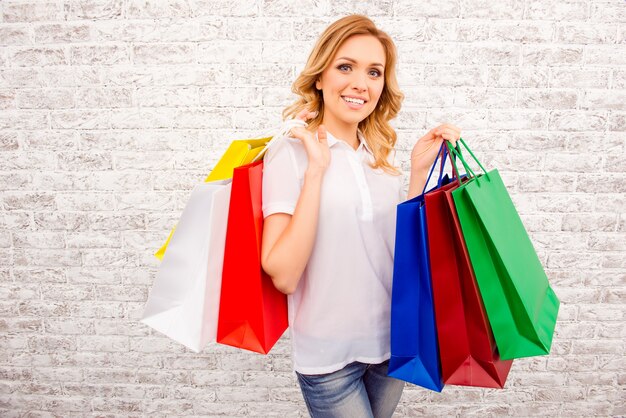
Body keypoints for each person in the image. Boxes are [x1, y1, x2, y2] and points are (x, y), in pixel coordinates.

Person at [260, 14, 461, 418]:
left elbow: (393, 256)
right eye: (345, 67)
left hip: (391, 346)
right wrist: (317, 170)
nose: (360, 83)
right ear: (320, 77)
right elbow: (281, 274)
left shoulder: (378, 158)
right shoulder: (290, 153)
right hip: (329, 360)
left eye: (374, 72)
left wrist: (418, 177)